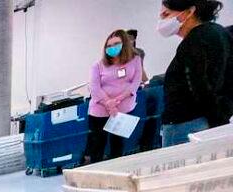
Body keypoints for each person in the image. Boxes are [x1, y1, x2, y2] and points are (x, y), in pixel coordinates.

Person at [159, 0, 231, 146]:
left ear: (189, 12)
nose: (162, 21)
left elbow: (198, 84)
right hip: (208, 120)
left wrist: (217, 119)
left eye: (166, 14)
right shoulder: (220, 33)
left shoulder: (195, 40)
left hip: (186, 125)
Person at [86, 30, 144, 164]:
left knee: (118, 144)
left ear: (124, 44)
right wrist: (109, 103)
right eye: (109, 45)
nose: (112, 48)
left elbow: (135, 82)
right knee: (98, 145)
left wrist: (118, 100)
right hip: (100, 111)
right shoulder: (97, 66)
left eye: (116, 44)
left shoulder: (135, 60)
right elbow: (94, 87)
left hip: (122, 110)